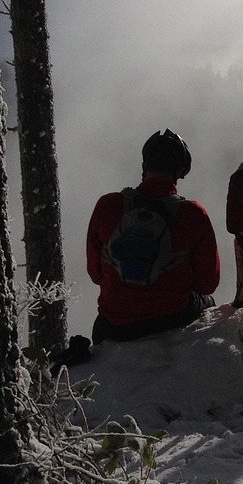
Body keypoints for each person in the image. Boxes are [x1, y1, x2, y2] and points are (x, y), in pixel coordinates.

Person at [85, 129, 220, 344]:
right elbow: (207, 284)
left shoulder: (107, 205)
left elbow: (95, 274)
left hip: (113, 326)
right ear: (181, 170)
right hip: (172, 317)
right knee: (208, 302)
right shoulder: (193, 214)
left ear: (144, 165)